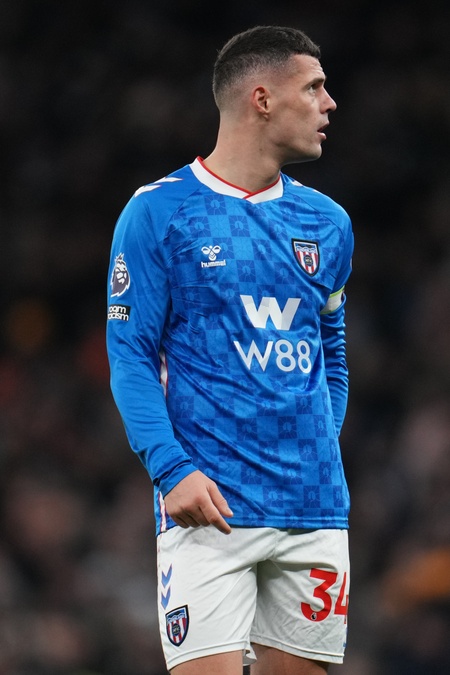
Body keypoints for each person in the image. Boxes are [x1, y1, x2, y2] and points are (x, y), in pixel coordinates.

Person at [106, 25, 354, 675]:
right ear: (262, 99)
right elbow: (130, 356)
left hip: (314, 511)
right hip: (209, 508)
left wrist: (318, 446)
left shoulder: (328, 224)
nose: (329, 103)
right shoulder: (160, 212)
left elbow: (331, 353)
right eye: (315, 87)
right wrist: (170, 469)